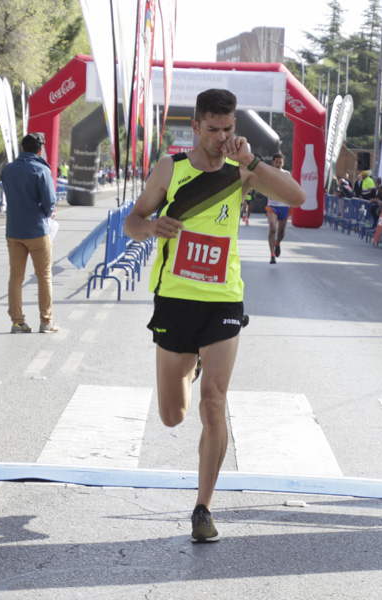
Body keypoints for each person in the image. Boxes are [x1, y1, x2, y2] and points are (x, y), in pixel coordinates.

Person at [123, 89, 306, 543]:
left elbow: (297, 197)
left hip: (224, 299)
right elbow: (133, 220)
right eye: (213, 130)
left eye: (229, 130)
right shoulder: (171, 168)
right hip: (176, 299)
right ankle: (189, 366)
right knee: (171, 415)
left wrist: (254, 163)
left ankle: (203, 507)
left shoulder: (241, 170)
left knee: (214, 401)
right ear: (196, 128)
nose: (222, 138)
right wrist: (151, 227)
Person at [2, 133, 59, 334]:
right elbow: (49, 201)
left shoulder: (8, 169)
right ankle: (46, 321)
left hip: (14, 229)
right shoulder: (41, 169)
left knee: (15, 276)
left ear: (22, 147)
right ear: (40, 150)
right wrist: (42, 215)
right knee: (44, 276)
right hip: (36, 229)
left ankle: (17, 321)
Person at [263, 152, 292, 264]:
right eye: (276, 162)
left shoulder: (286, 174)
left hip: (284, 206)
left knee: (281, 233)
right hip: (272, 206)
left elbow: (292, 188)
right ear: (273, 162)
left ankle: (277, 243)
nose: (278, 164)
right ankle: (272, 254)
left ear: (283, 163)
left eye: (280, 162)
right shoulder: (268, 173)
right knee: (272, 228)